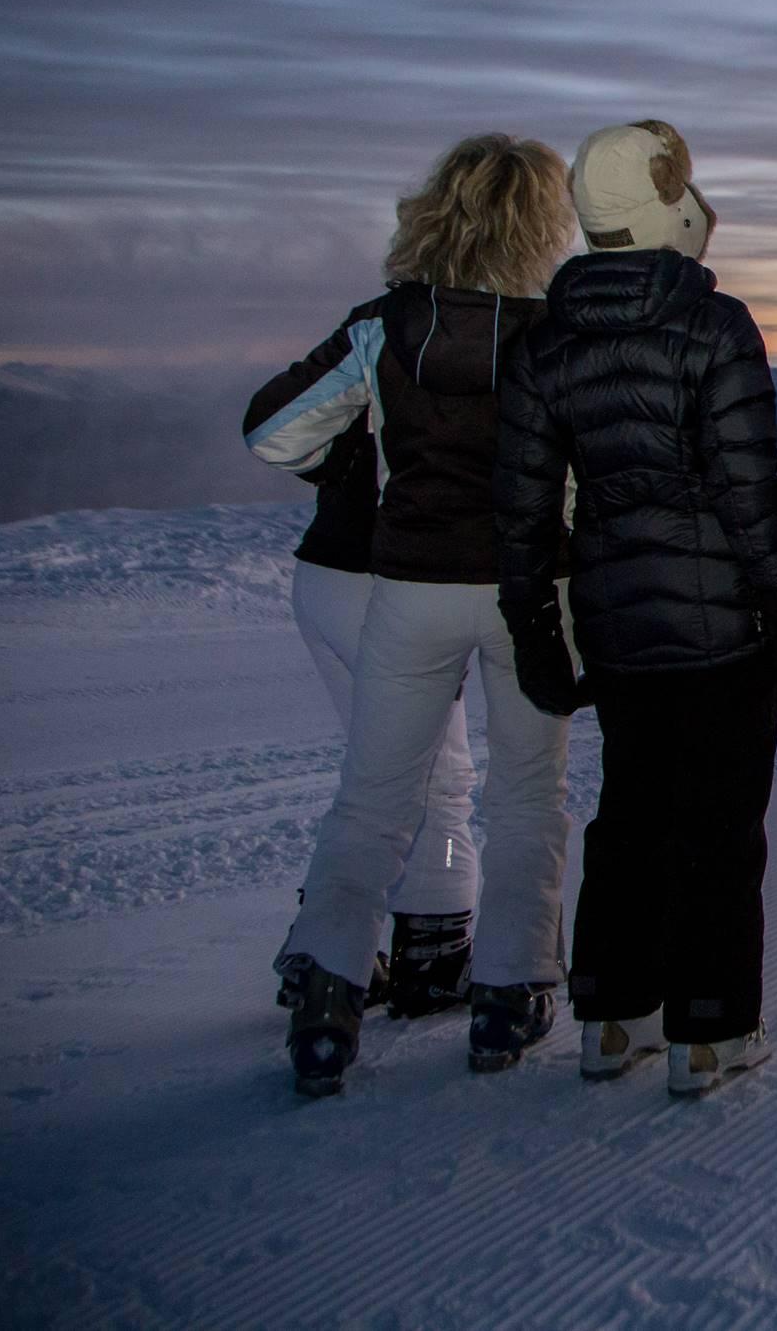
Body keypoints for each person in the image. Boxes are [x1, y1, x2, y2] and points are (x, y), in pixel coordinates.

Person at [496, 119, 777, 1101]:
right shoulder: (711, 325)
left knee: (630, 813)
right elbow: (746, 490)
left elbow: (521, 505)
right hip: (719, 623)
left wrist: (533, 627)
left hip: (613, 620)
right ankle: (709, 1032)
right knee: (722, 825)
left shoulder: (544, 341)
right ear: (663, 208)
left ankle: (612, 1015)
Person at [246, 133, 580, 1095]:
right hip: (528, 595)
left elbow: (273, 432)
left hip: (408, 588)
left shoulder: (385, 326)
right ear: (541, 224)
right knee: (527, 799)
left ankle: (327, 999)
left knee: (375, 798)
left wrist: (357, 463)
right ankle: (510, 993)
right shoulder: (560, 332)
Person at [247, 410, 480, 1018]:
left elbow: (283, 428)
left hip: (323, 571)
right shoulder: (472, 354)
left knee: (375, 779)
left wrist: (341, 472)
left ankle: (323, 948)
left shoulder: (376, 340)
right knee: (438, 777)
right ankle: (434, 954)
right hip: (392, 588)